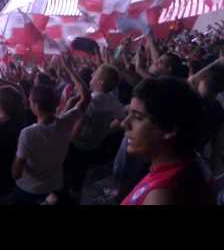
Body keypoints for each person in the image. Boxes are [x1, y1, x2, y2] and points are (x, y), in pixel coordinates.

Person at [120, 77, 215, 205]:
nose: (124, 123)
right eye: (128, 113)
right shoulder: (189, 162)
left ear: (169, 130)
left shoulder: (160, 196)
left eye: (138, 117)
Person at [12, 55, 91, 205]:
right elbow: (86, 97)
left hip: (30, 189)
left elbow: (16, 173)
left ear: (35, 105)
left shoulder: (27, 133)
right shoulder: (66, 121)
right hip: (54, 184)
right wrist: (70, 69)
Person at [64, 64, 126, 202]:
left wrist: (68, 140)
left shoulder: (92, 102)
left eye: (95, 74)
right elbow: (122, 118)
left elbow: (76, 129)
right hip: (93, 146)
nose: (91, 76)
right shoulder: (111, 100)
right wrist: (107, 130)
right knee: (79, 177)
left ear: (100, 82)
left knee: (70, 178)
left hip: (77, 147)